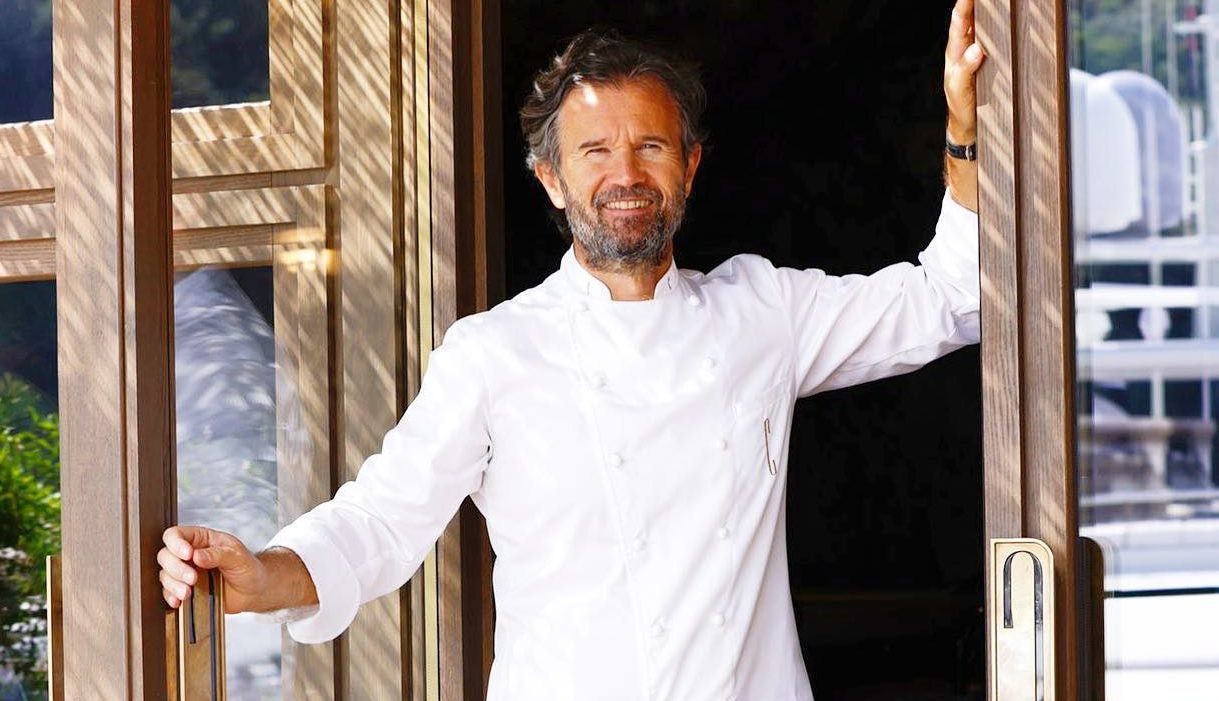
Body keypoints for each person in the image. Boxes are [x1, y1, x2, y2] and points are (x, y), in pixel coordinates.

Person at [158, 2, 986, 698]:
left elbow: (949, 298)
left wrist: (964, 129)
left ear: (690, 166)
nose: (625, 174)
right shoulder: (495, 353)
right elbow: (379, 519)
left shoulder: (762, 312)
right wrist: (264, 572)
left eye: (651, 146)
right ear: (550, 179)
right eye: (594, 151)